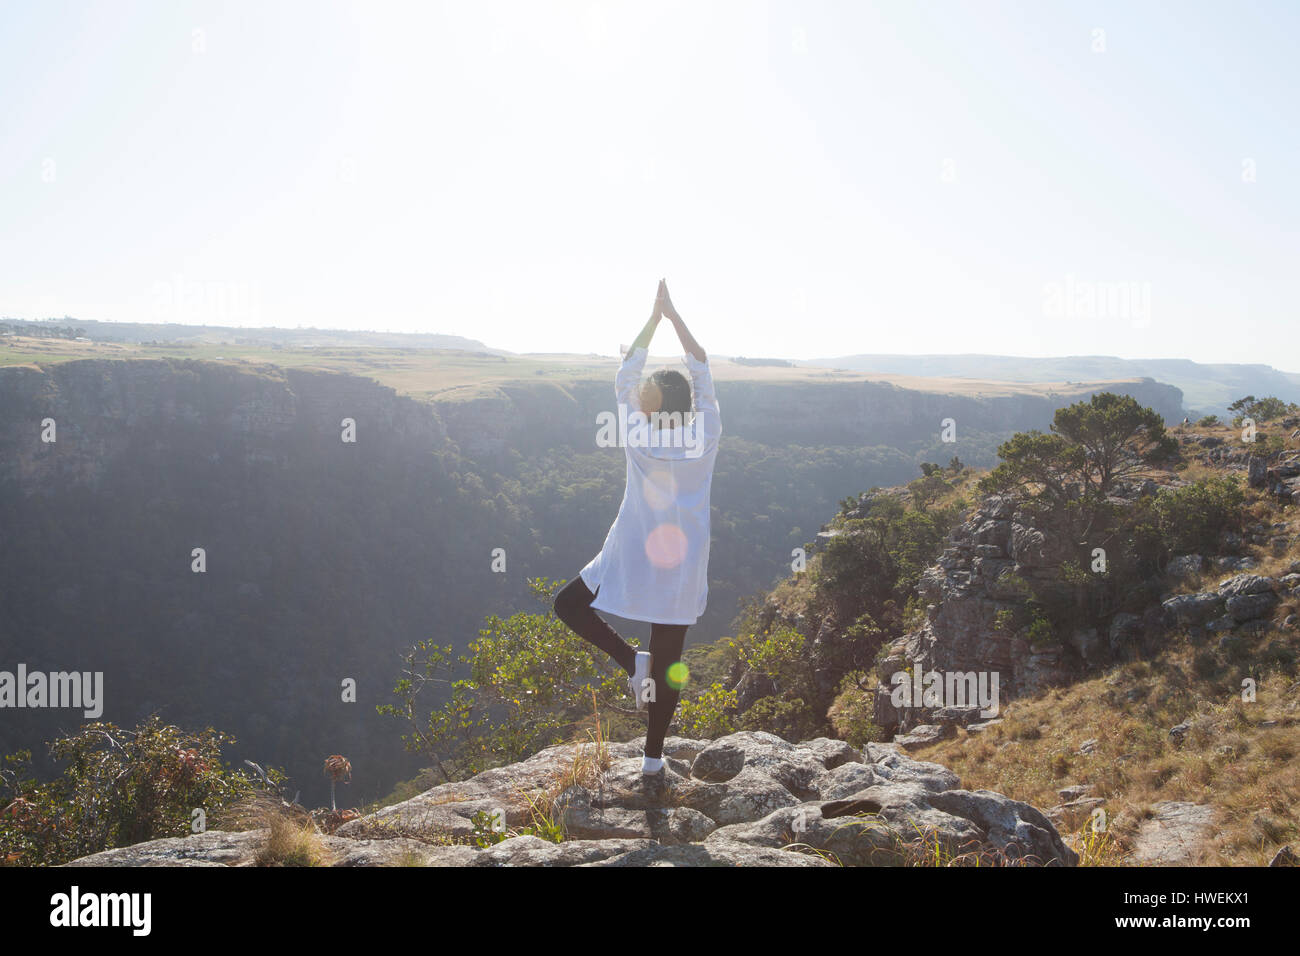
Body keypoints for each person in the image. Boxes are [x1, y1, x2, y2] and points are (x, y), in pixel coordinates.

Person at [553, 279, 721, 776]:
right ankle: (653, 759)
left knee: (567, 605)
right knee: (670, 658)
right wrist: (676, 318)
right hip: (684, 559)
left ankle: (630, 662)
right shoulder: (706, 432)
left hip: (630, 547)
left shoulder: (637, 430)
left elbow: (625, 375)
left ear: (650, 402)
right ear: (687, 403)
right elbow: (702, 365)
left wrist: (654, 318)